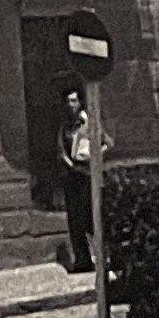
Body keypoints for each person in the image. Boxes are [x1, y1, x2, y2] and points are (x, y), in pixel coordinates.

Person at [55, 84, 96, 274]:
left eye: (73, 101)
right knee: (74, 219)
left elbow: (106, 143)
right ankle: (82, 259)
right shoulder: (65, 126)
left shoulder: (88, 123)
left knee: (88, 216)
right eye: (68, 101)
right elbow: (60, 149)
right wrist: (67, 162)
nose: (70, 105)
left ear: (80, 102)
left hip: (86, 174)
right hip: (71, 176)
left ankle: (106, 254)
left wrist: (94, 157)